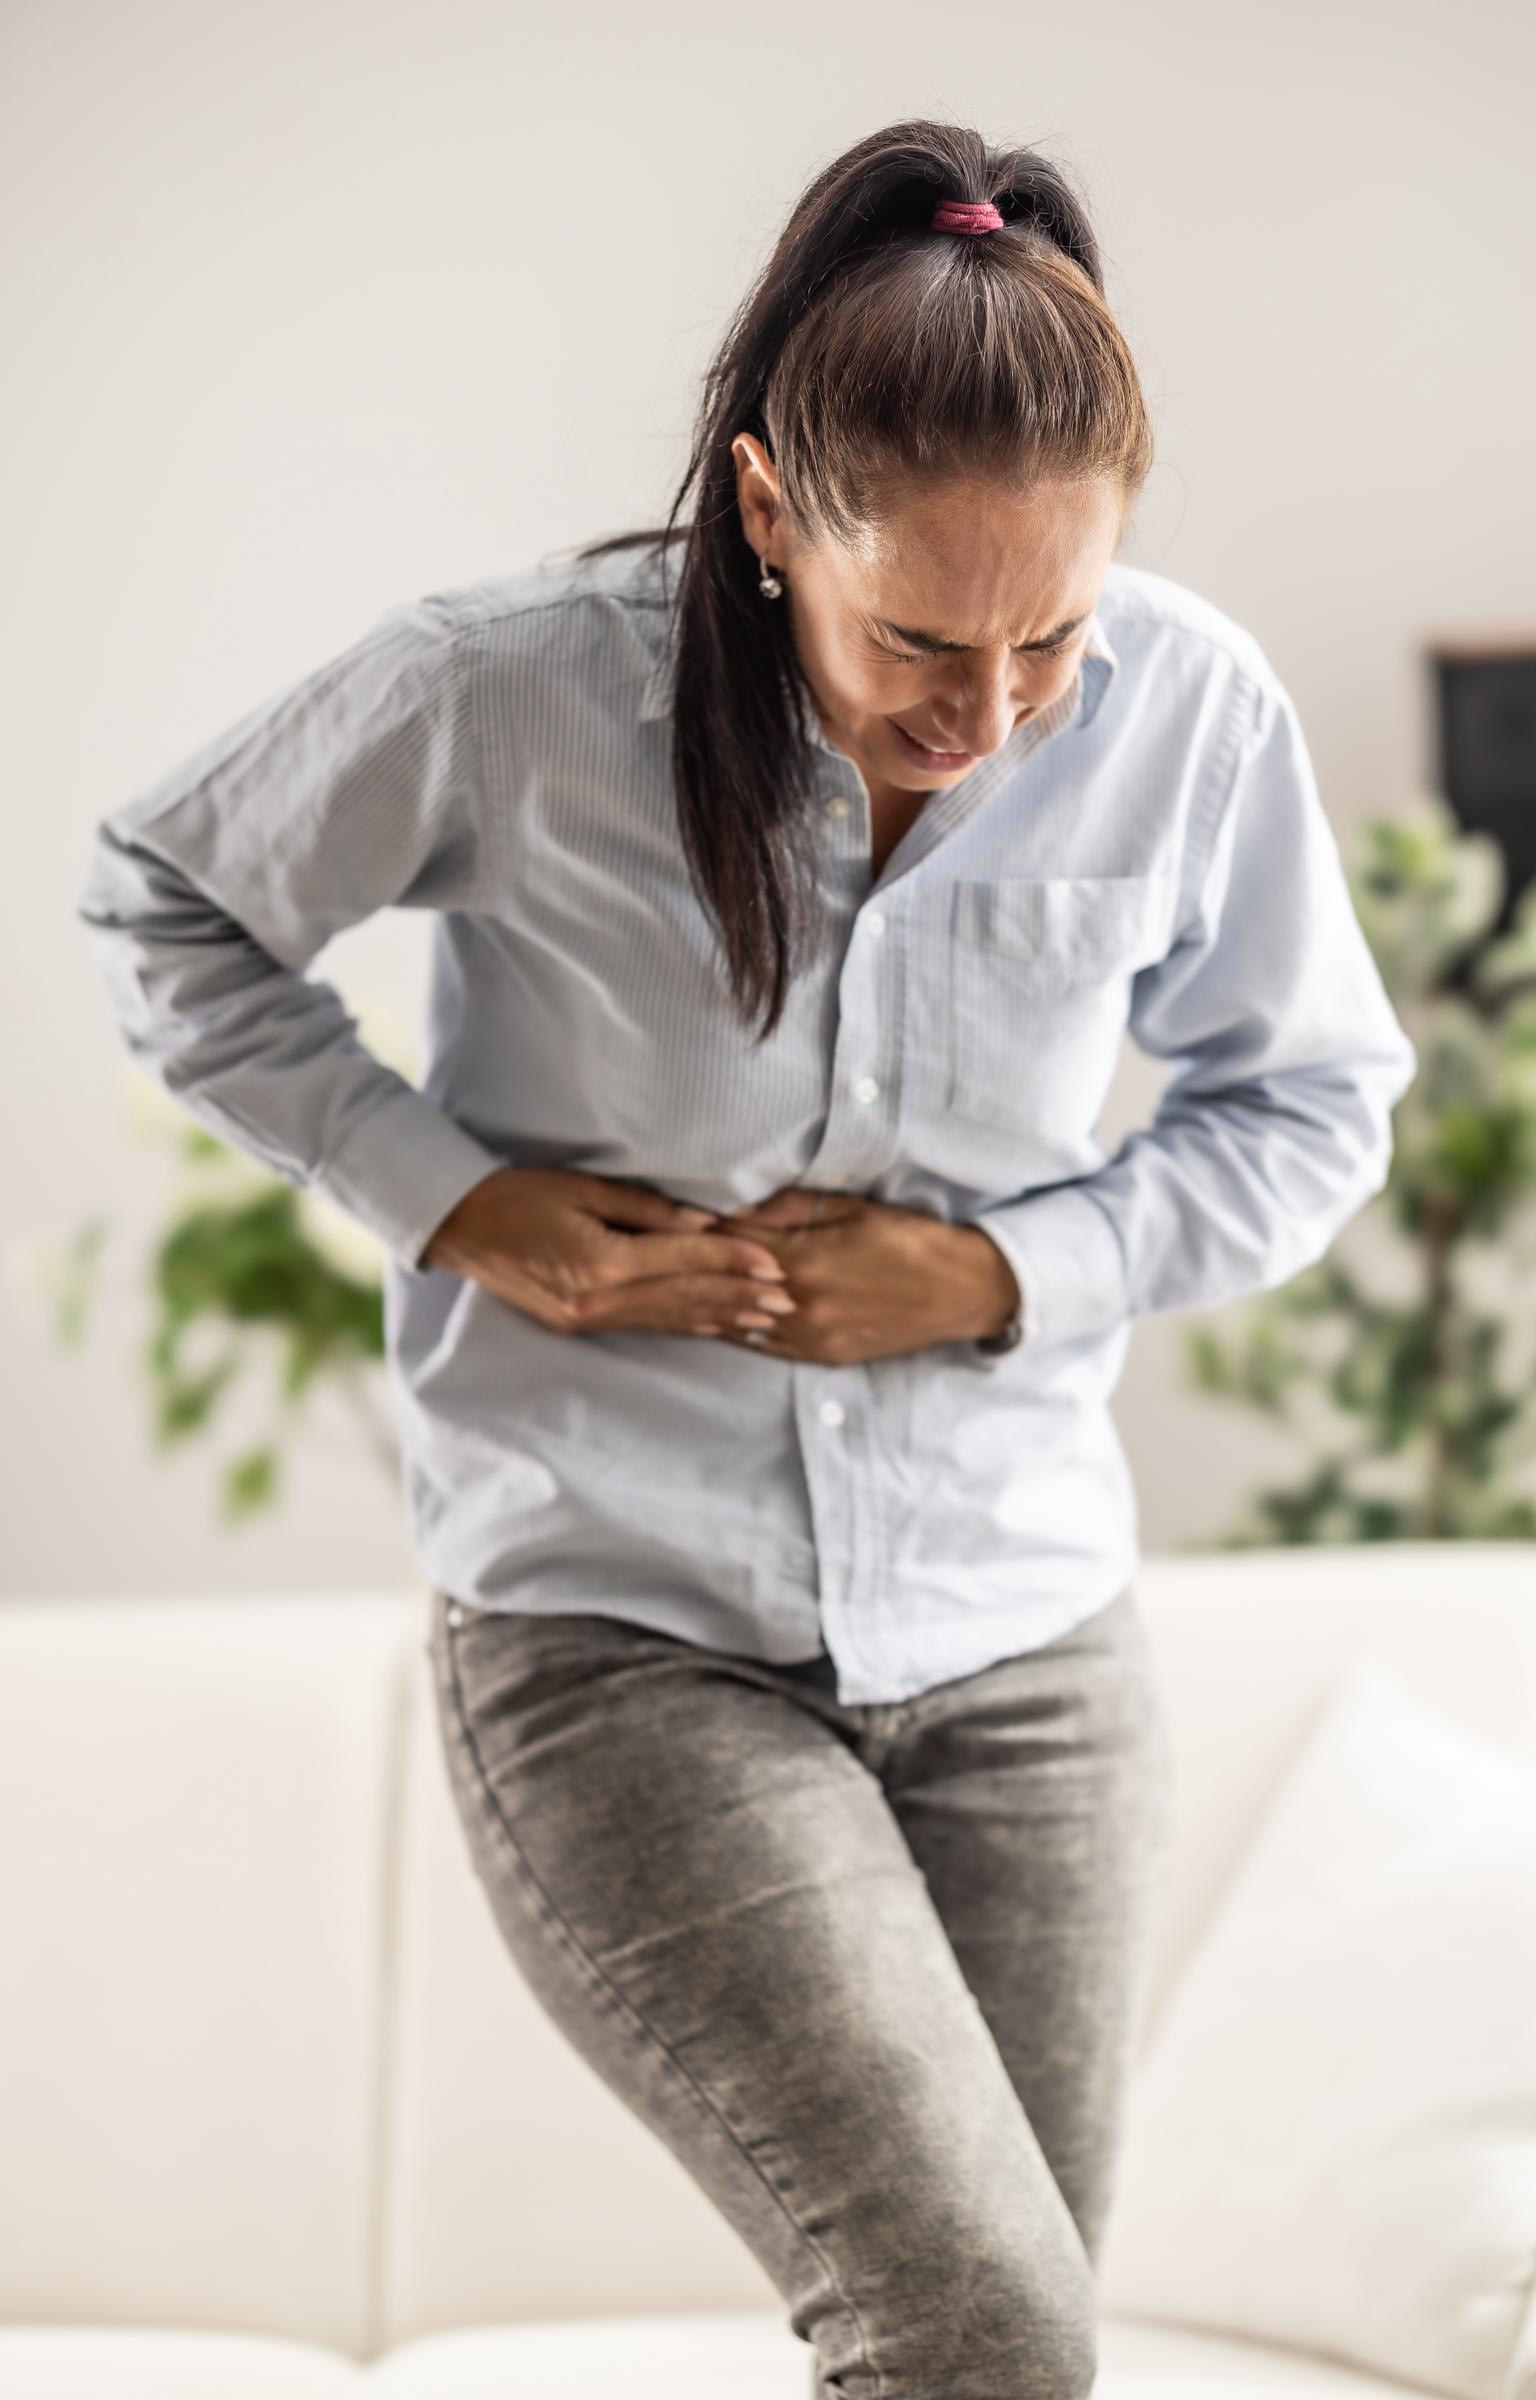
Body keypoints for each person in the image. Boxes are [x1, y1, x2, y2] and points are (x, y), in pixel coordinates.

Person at [78, 117, 1417, 2400]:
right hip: (623, 1637)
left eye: (1053, 641)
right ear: (771, 505)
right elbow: (164, 900)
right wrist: (448, 1194)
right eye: (920, 638)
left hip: (1028, 1652)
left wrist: (1003, 1279)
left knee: (998, 2348)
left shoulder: (1194, 714)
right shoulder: (505, 690)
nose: (987, 719)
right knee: (976, 2323)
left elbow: (1313, 1106)